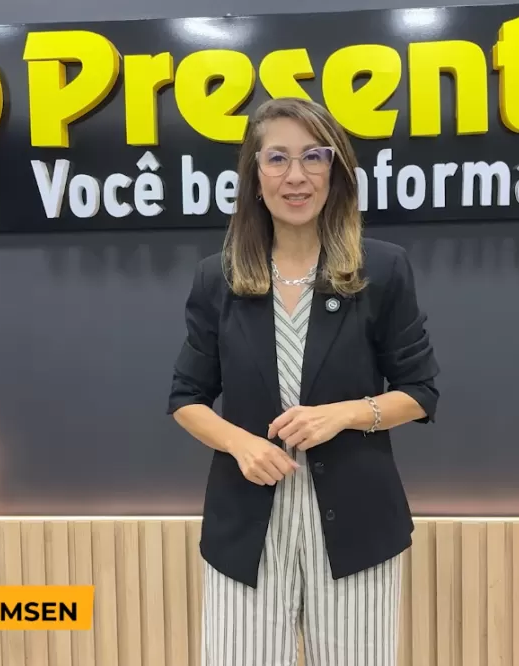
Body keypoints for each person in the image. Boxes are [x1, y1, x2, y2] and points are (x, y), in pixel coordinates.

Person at [166, 96, 440, 666]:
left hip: (356, 532)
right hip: (247, 534)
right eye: (278, 158)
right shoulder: (218, 278)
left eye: (314, 157)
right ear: (255, 175)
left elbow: (420, 392)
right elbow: (186, 398)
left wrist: (344, 414)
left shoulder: (381, 269)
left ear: (335, 171)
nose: (296, 175)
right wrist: (240, 444)